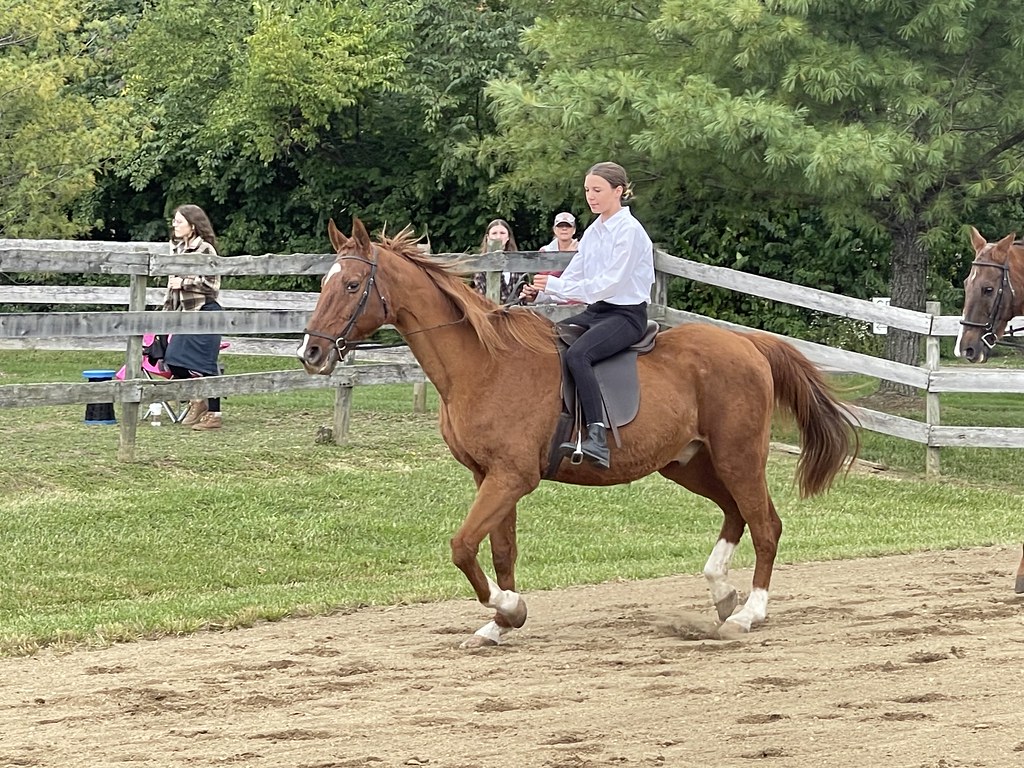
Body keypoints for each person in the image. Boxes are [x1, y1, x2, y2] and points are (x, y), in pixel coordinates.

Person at [520, 162, 654, 469]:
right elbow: (574, 276)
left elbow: (611, 284)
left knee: (579, 355)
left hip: (626, 316)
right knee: (548, 342)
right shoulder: (594, 231)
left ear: (618, 191)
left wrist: (555, 286)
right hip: (598, 312)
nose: (590, 197)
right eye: (587, 190)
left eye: (597, 190)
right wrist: (542, 292)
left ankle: (596, 437)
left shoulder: (630, 233)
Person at [163, 204, 225, 431]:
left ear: (192, 224)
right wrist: (165, 316)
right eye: (174, 221)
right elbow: (171, 289)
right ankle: (198, 400)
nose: (174, 225)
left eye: (179, 221)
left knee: (207, 364)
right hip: (185, 315)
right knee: (173, 358)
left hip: (206, 312)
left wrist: (184, 282)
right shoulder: (176, 249)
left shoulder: (205, 249)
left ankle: (214, 415)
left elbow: (212, 285)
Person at [471, 218, 526, 304]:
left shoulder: (518, 263)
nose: (498, 237)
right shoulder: (480, 265)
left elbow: (523, 293)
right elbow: (481, 295)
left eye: (502, 233)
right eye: (494, 233)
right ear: (487, 237)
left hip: (517, 313)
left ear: (508, 237)